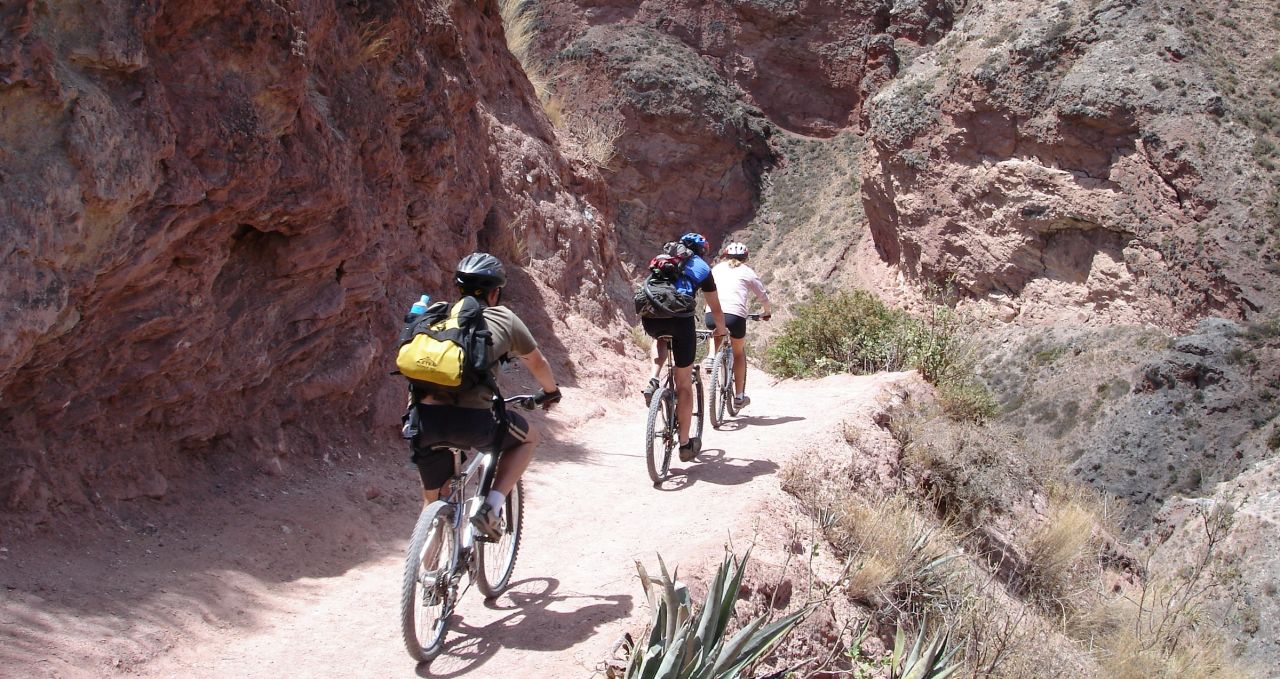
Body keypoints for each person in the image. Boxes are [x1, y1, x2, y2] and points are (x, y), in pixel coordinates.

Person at [410, 252, 561, 540]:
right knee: (529, 438)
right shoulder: (504, 318)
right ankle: (490, 507)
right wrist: (551, 392)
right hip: (474, 423)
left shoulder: (439, 314)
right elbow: (537, 363)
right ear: (495, 293)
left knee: (432, 502)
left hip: (424, 422)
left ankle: (425, 576)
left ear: (460, 289)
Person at [641, 233, 728, 462]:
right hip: (681, 322)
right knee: (684, 384)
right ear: (701, 250)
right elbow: (715, 309)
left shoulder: (664, 256)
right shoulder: (702, 268)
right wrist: (721, 330)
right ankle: (685, 444)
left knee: (659, 337)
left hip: (651, 317)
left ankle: (653, 378)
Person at [704, 242, 771, 409]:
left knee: (716, 330)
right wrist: (766, 311)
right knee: (738, 353)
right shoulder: (747, 272)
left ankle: (711, 356)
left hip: (712, 313)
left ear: (725, 256)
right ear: (745, 258)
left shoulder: (716, 269)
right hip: (735, 316)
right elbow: (762, 295)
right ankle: (739, 397)